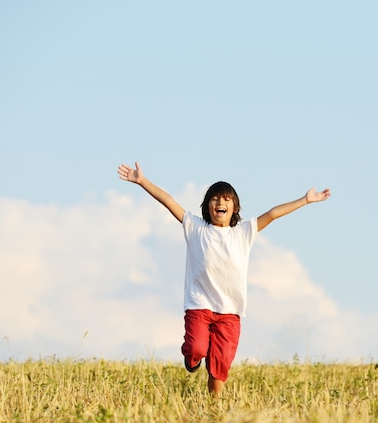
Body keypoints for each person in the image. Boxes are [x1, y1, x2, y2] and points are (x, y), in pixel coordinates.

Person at [117, 161, 331, 397]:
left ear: (235, 208)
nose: (220, 203)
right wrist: (142, 181)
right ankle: (192, 358)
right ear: (207, 207)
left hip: (230, 312)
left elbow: (272, 214)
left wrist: (305, 200)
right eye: (215, 199)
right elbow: (169, 202)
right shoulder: (196, 228)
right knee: (197, 346)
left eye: (226, 199)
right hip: (199, 305)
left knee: (219, 367)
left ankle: (214, 406)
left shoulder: (243, 232)